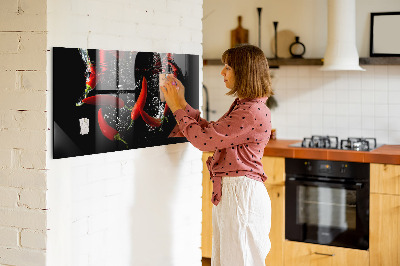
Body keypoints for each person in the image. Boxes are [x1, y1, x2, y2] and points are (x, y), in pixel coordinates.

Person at [161, 44, 273, 266]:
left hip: (241, 195)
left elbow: (204, 141)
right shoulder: (246, 106)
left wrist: (176, 107)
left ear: (244, 72)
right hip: (236, 193)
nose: (222, 72)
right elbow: (212, 133)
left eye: (228, 67)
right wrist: (182, 103)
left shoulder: (250, 111)